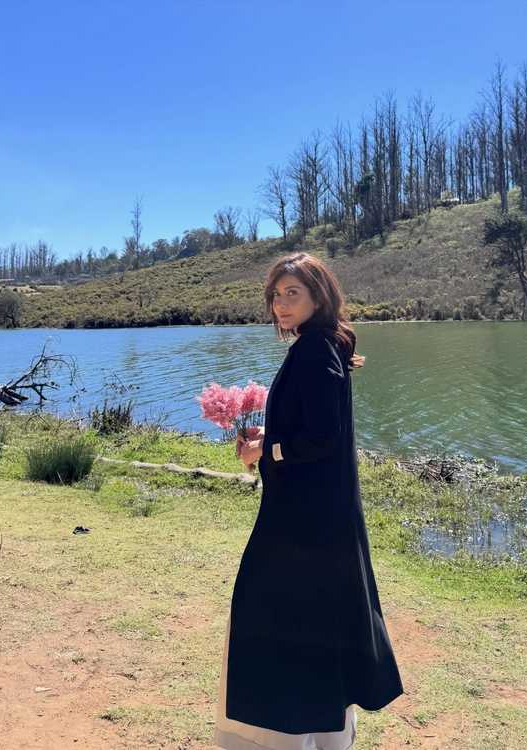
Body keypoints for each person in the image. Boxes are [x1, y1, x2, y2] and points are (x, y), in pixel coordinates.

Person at [213, 252, 404, 750]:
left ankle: (283, 733)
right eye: (276, 294)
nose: (281, 304)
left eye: (292, 293)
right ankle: (321, 731)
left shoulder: (316, 350)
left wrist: (267, 449)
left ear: (319, 296)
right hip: (317, 514)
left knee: (277, 611)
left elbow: (322, 437)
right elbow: (313, 428)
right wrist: (270, 436)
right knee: (316, 617)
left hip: (305, 520)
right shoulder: (319, 345)